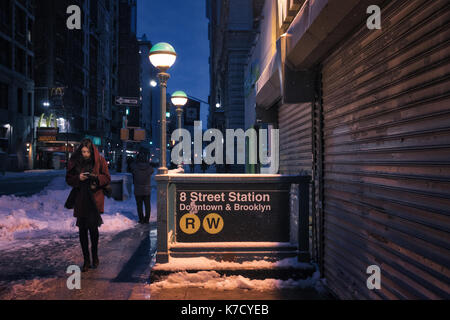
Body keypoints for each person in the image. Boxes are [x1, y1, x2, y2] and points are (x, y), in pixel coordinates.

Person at [66, 139, 111, 272]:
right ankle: (86, 260)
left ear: (91, 151)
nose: (85, 154)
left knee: (93, 229)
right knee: (82, 231)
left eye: (87, 151)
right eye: (83, 151)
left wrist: (96, 177)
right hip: (81, 199)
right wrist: (78, 178)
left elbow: (107, 177)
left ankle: (95, 256)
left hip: (94, 199)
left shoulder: (100, 160)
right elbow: (68, 178)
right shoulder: (76, 161)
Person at [131, 152, 153, 224]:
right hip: (146, 190)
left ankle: (141, 219)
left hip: (138, 190)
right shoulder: (149, 168)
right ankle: (147, 219)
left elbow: (131, 168)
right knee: (147, 205)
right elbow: (152, 171)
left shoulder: (135, 167)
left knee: (139, 205)